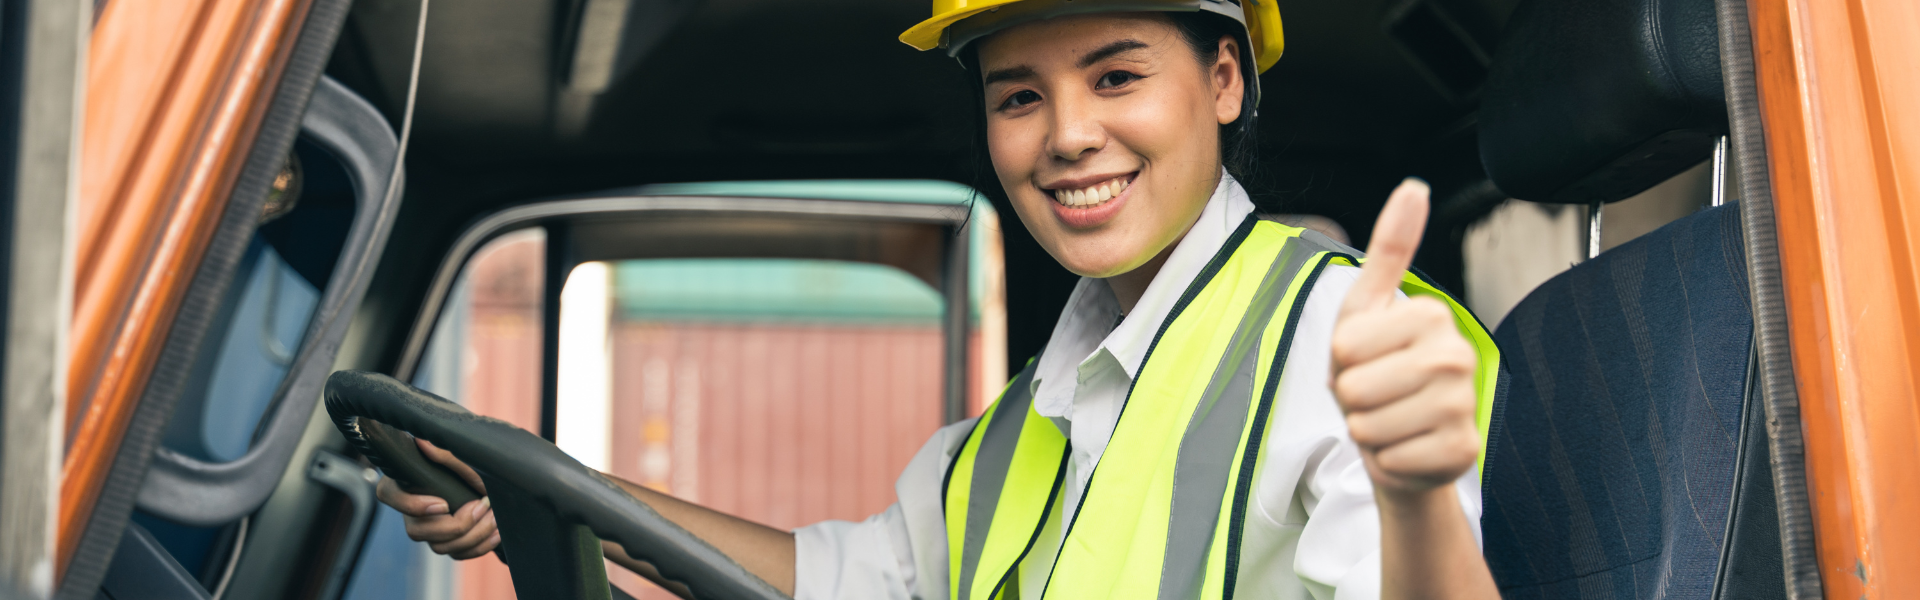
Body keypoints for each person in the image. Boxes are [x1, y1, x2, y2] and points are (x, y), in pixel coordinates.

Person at [376, 0, 1504, 597]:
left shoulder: (1347, 341)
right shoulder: (1028, 419)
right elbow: (841, 582)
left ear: (1222, 81)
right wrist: (563, 491)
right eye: (1020, 95)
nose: (1066, 134)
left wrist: (1412, 497)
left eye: (1117, 76)